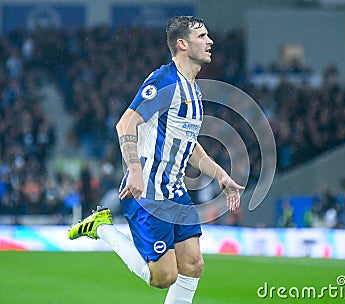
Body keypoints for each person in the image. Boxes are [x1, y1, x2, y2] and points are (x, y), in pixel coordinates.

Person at [68, 16, 244, 304]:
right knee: (163, 277)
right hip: (148, 191)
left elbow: (190, 144)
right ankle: (101, 227)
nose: (210, 41)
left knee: (193, 265)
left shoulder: (194, 90)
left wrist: (221, 175)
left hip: (175, 190)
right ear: (182, 44)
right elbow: (125, 124)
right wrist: (134, 170)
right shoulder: (164, 81)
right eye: (202, 36)